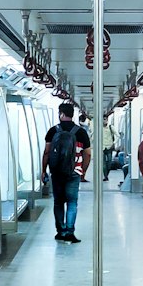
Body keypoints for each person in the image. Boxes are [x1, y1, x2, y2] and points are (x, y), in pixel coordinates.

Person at [42, 103, 91, 242]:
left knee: (58, 202)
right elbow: (87, 154)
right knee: (72, 202)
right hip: (74, 172)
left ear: (61, 114)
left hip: (56, 172)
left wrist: (43, 171)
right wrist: (83, 172)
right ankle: (70, 231)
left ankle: (60, 231)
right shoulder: (81, 132)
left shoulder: (53, 131)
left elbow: (46, 152)